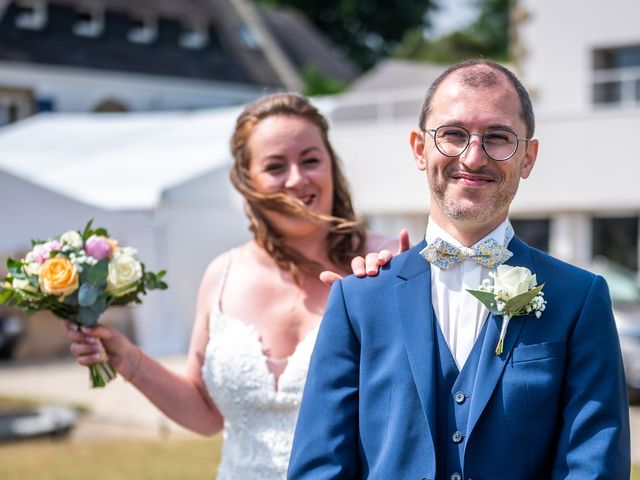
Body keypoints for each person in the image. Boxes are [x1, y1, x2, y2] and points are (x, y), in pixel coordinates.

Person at [288, 60, 630, 480]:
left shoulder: (578, 298)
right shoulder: (357, 299)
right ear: (419, 148)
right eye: (452, 134)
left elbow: (593, 465)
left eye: (498, 137)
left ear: (528, 157)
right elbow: (320, 468)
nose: (473, 156)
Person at [65, 92, 405, 479]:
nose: (297, 178)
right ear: (247, 180)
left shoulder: (388, 262)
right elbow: (207, 415)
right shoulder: (222, 274)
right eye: (276, 166)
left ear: (332, 167)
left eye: (310, 160)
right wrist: (127, 359)